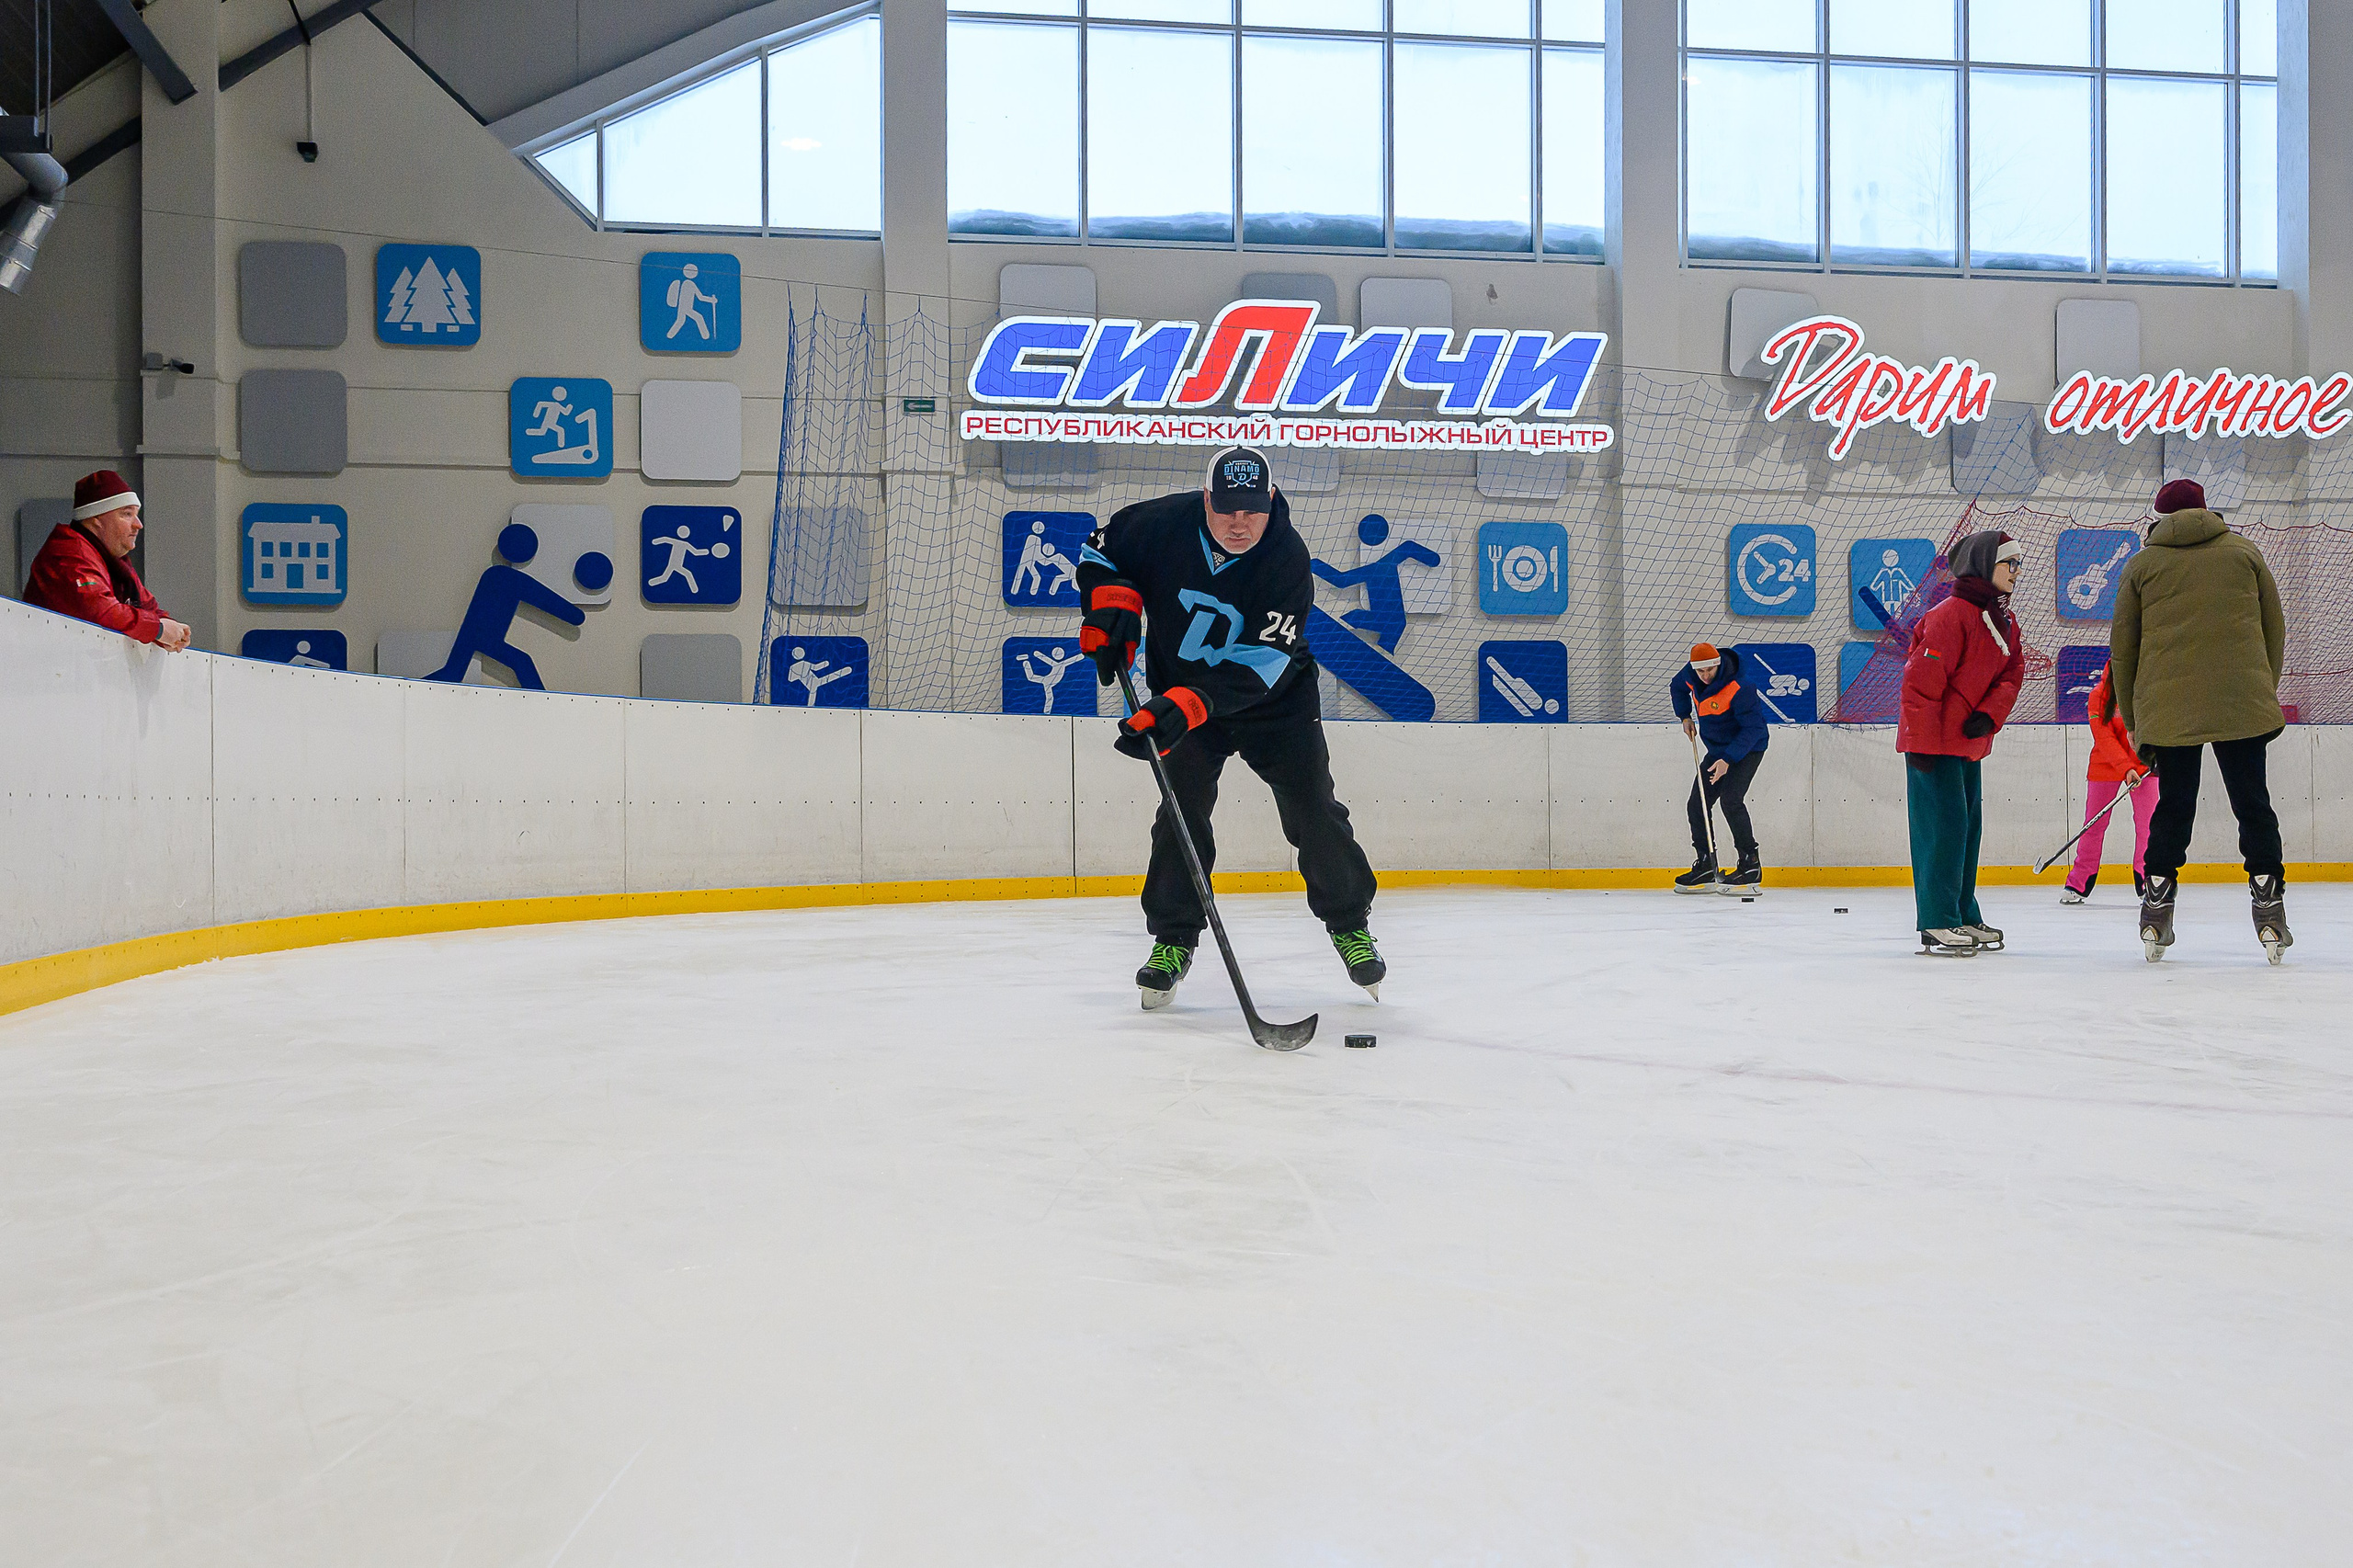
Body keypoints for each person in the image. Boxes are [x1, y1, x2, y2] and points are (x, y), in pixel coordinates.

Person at [1076, 444, 1383, 1009]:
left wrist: (1187, 703)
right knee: (1181, 811)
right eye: (1226, 509)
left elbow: (1263, 663)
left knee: (1313, 809)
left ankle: (1349, 923)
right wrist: (1112, 602)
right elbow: (1100, 553)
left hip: (1276, 705)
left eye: (1252, 510)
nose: (1240, 523)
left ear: (1271, 501)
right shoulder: (1158, 524)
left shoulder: (1286, 558)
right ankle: (1173, 939)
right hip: (1183, 700)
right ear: (1206, 499)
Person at [2109, 478, 2290, 961]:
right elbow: (2274, 628)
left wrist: (2135, 720)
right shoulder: (2245, 553)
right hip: (2241, 702)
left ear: (2160, 517)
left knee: (2174, 806)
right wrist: (2260, 688)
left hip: (2169, 708)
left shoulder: (2142, 565)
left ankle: (2155, 911)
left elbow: (2123, 650)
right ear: (2207, 511)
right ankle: (2269, 910)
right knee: (2253, 803)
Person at [1897, 529, 2026, 956]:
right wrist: (1920, 744)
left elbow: (2012, 674)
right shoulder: (1949, 615)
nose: (2016, 571)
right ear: (1985, 564)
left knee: (1966, 830)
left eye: (2018, 564)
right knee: (1942, 831)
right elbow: (1920, 684)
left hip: (1968, 746)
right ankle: (1938, 920)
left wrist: (1989, 714)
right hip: (1933, 748)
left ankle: (1962, 913)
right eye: (2010, 563)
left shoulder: (2004, 622)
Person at [23, 470, 192, 652]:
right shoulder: (69, 554)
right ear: (96, 518)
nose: (138, 524)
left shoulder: (114, 561)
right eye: (127, 514)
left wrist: (169, 628)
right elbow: (102, 612)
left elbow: (148, 607)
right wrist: (157, 629)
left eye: (136, 515)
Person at [428, 524, 585, 688]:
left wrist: (574, 615)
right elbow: (551, 603)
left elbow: (549, 601)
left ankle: (412, 690)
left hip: (471, 637)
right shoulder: (512, 580)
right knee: (522, 662)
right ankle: (543, 702)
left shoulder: (493, 575)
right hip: (485, 639)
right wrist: (575, 615)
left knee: (453, 672)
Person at [1668, 642, 1769, 892]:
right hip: (1717, 750)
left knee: (1731, 800)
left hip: (1748, 748)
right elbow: (1677, 687)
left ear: (1718, 664)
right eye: (1700, 671)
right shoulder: (1691, 674)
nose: (1705, 676)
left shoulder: (1740, 687)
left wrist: (1728, 760)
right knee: (1698, 803)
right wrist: (1684, 716)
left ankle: (1750, 864)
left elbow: (1754, 729)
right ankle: (1706, 864)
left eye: (1709, 670)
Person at [2060, 659, 2157, 904]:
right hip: (2106, 764)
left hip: (2143, 765)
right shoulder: (2099, 695)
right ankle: (2078, 882)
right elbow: (2103, 737)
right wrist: (2125, 768)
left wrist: (2151, 759)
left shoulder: (2147, 692)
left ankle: (2146, 881)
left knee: (2148, 826)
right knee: (2094, 824)